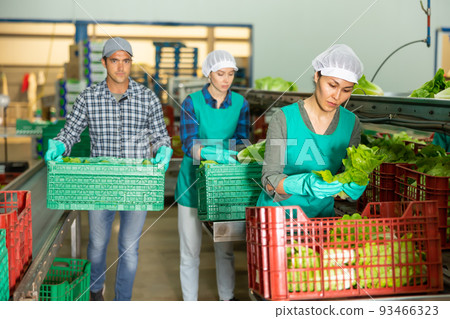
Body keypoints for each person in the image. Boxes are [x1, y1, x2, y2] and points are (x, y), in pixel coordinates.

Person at [44, 37, 173, 301]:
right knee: (97, 244)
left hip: (137, 184)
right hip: (99, 183)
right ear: (104, 62)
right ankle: (95, 292)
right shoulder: (89, 97)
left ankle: (122, 301)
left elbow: (161, 136)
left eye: (126, 61)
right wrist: (58, 145)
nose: (121, 67)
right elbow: (70, 133)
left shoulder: (147, 97)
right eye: (115, 60)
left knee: (129, 248)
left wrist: (163, 148)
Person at [257, 44, 366, 217]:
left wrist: (353, 184)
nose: (337, 96)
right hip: (278, 218)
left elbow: (345, 176)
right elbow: (269, 181)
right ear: (317, 76)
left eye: (346, 90)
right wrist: (303, 183)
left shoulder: (351, 123)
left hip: (321, 219)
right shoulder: (284, 118)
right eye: (332, 85)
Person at [174, 50, 250, 301]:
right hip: (193, 183)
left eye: (230, 74)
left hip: (222, 183)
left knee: (225, 249)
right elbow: (187, 143)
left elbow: (241, 141)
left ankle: (227, 300)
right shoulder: (191, 102)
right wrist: (209, 152)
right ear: (208, 73)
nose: (226, 79)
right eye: (220, 74)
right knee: (190, 251)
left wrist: (232, 155)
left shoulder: (240, 103)